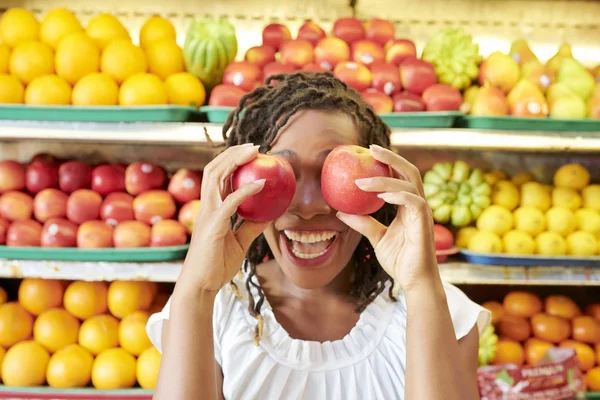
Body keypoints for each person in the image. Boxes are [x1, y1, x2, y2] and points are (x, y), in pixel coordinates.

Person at [147, 72, 491, 400]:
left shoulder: (440, 309)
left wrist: (421, 287)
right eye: (285, 174)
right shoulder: (213, 310)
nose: (308, 207)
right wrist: (196, 289)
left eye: (331, 175)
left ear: (380, 186)